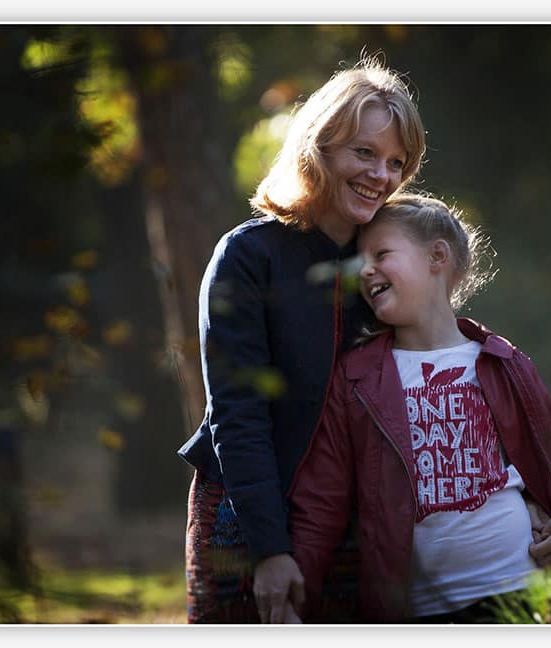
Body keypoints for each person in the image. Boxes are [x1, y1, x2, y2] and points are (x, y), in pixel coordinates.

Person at [177, 57, 427, 624]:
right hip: (246, 516)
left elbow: (438, 375)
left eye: (396, 162)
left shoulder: (383, 266)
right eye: (364, 153)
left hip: (357, 528)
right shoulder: (248, 256)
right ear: (320, 147)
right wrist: (269, 549)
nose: (381, 176)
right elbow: (236, 412)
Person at [287, 193, 551, 623]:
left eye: (381, 253)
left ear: (437, 256)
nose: (365, 270)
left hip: (527, 595)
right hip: (422, 614)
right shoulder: (356, 379)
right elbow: (322, 502)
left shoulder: (505, 363)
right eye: (359, 259)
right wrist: (295, 594)